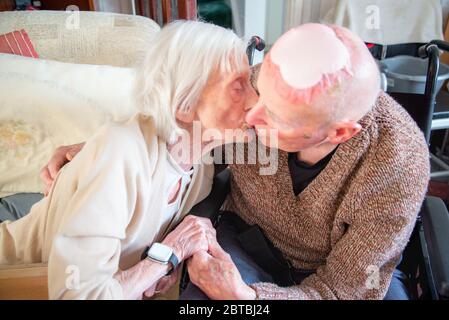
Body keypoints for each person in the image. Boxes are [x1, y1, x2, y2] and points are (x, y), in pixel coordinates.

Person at [39, 24, 430, 300]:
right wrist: (95, 148)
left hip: (337, 277)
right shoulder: (273, 84)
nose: (252, 114)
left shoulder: (399, 164)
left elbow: (341, 290)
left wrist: (248, 298)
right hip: (246, 241)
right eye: (256, 90)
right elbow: (185, 113)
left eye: (274, 118)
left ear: (339, 133)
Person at [0, 20, 257, 300]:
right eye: (237, 87)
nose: (255, 100)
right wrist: (168, 255)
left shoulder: (201, 168)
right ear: (184, 103)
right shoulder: (121, 152)